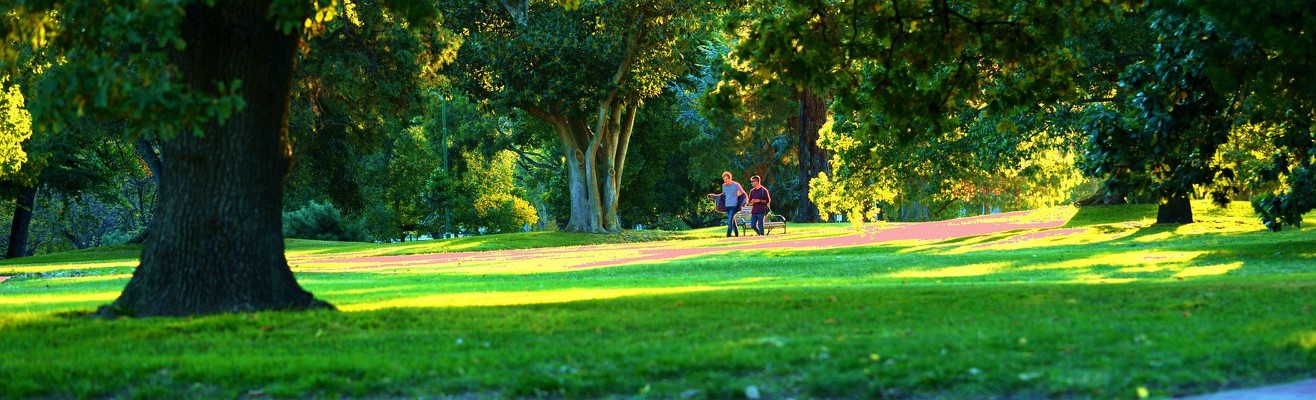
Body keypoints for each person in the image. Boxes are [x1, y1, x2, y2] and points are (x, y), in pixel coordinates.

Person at [708, 171, 747, 237]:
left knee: (729, 220)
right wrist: (714, 196)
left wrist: (738, 195)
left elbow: (743, 193)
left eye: (726, 179)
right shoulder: (724, 186)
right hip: (727, 206)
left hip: (734, 206)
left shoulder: (736, 185)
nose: (725, 181)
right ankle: (737, 234)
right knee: (732, 220)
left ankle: (728, 235)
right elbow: (723, 195)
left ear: (730, 178)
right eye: (724, 179)